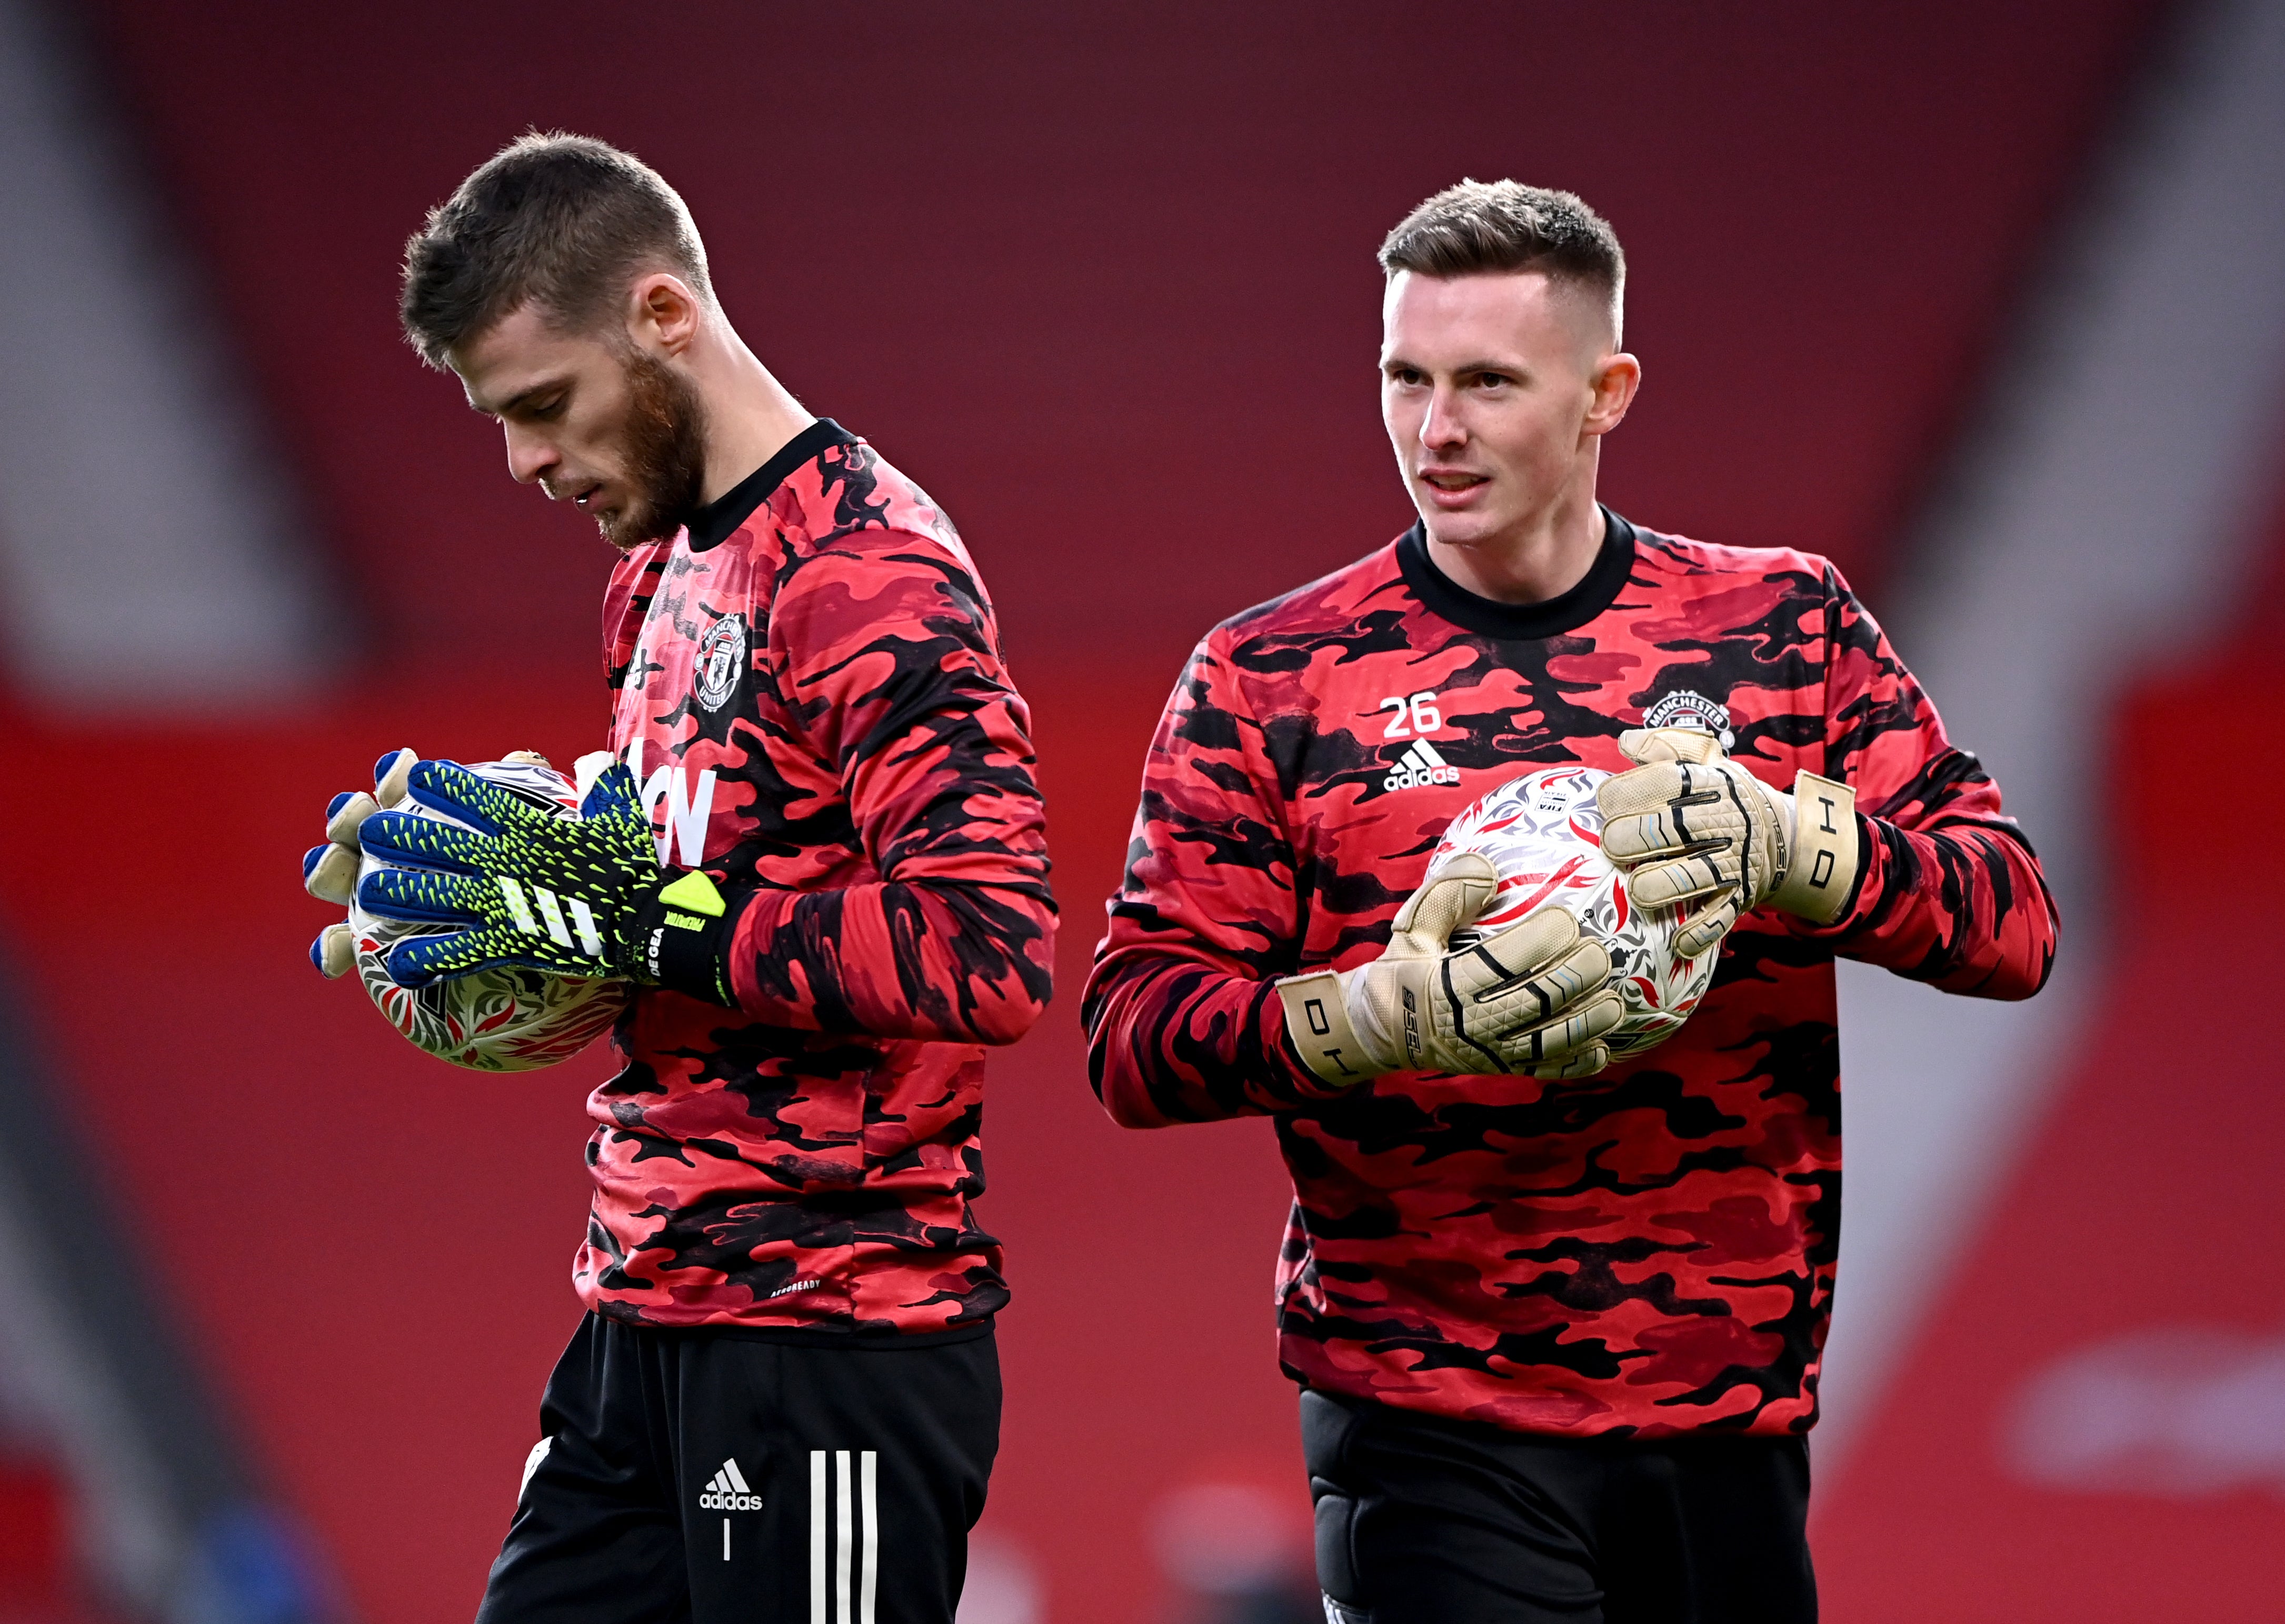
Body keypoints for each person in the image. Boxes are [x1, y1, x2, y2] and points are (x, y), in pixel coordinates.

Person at [1081, 180, 2057, 1623]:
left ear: (1608, 393)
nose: (1437, 429)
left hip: (1729, 1410)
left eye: (1488, 382)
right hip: (1426, 1416)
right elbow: (1133, 1032)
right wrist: (1362, 1018)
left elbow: (2015, 922)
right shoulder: (1272, 675)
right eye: (1406, 379)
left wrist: (1809, 854)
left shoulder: (1782, 625)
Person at [303, 133, 1054, 1623]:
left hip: (831, 1331)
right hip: (642, 1311)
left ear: (661, 318)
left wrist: (638, 914)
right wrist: (534, 881)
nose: (524, 462)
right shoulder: (649, 574)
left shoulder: (866, 568)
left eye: (541, 407)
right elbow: (694, 880)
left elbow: (989, 951)